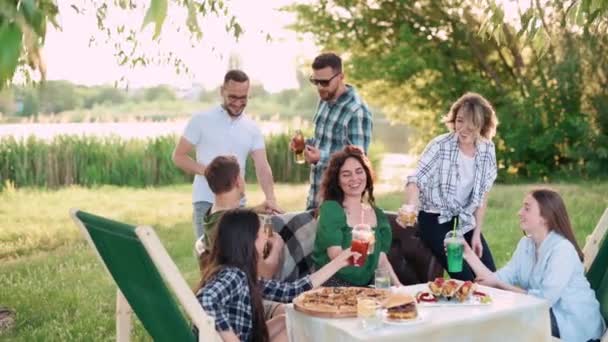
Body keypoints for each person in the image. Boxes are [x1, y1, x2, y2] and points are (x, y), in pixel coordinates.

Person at [462, 189, 605, 342]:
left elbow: (544, 300)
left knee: (506, 322)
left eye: (527, 208)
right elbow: (497, 279)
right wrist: (467, 253)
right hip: (542, 312)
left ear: (545, 217)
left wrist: (499, 284)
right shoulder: (526, 245)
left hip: (573, 323)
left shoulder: (562, 250)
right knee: (490, 316)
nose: (519, 212)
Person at [196, 209, 358, 342]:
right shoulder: (233, 274)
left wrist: (340, 262)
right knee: (292, 332)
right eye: (262, 232)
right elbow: (205, 299)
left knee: (287, 320)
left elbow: (292, 291)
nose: (267, 236)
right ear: (249, 240)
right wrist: (230, 338)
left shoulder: (244, 275)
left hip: (247, 337)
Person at [173, 69, 282, 240]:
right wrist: (213, 173)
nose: (238, 103)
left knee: (238, 257)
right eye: (232, 97)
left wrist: (270, 198)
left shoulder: (252, 128)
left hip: (238, 205)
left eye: (243, 98)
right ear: (222, 91)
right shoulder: (201, 120)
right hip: (206, 202)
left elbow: (262, 166)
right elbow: (178, 156)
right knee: (209, 259)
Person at [400, 92, 499, 281]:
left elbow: (482, 196)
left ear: (482, 125)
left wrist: (476, 234)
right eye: (460, 121)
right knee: (466, 278)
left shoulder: (487, 150)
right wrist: (411, 205)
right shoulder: (440, 145)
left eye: (472, 124)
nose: (463, 129)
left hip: (464, 220)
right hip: (434, 218)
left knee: (491, 277)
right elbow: (416, 179)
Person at [291, 53, 373, 210]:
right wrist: (304, 144)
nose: (320, 87)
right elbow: (323, 141)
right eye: (316, 82)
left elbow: (358, 160)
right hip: (315, 198)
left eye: (325, 82)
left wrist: (320, 157)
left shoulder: (357, 110)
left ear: (341, 77)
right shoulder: (324, 100)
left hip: (341, 206)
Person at [312, 146, 401, 287]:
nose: (354, 178)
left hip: (366, 286)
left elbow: (381, 260)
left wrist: (399, 287)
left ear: (366, 174)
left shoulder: (378, 215)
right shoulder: (331, 209)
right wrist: (358, 250)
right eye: (346, 174)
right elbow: (335, 255)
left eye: (359, 172)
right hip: (333, 284)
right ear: (337, 180)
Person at [199, 155, 283, 279]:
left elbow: (228, 214)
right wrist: (277, 246)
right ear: (238, 181)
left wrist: (256, 208)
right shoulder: (234, 228)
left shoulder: (211, 217)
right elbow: (264, 273)